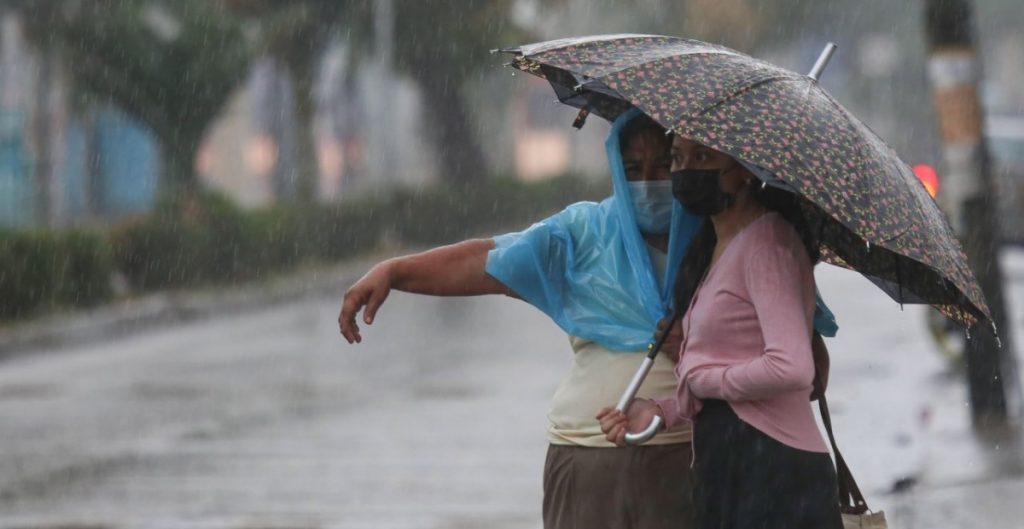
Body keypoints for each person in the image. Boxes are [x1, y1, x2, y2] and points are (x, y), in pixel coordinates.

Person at [340, 109, 703, 529]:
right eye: (633, 169)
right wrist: (396, 271)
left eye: (664, 164)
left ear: (684, 163)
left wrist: (700, 340)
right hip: (585, 455)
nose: (648, 183)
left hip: (686, 453)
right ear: (616, 171)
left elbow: (768, 344)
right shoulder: (584, 233)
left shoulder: (716, 235)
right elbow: (491, 260)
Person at [598, 135, 844, 529]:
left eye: (704, 156)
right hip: (733, 468)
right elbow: (724, 370)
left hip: (775, 472)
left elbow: (793, 368)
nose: (685, 170)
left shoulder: (767, 243)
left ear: (745, 169)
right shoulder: (713, 245)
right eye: (677, 158)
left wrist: (703, 381)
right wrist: (662, 410)